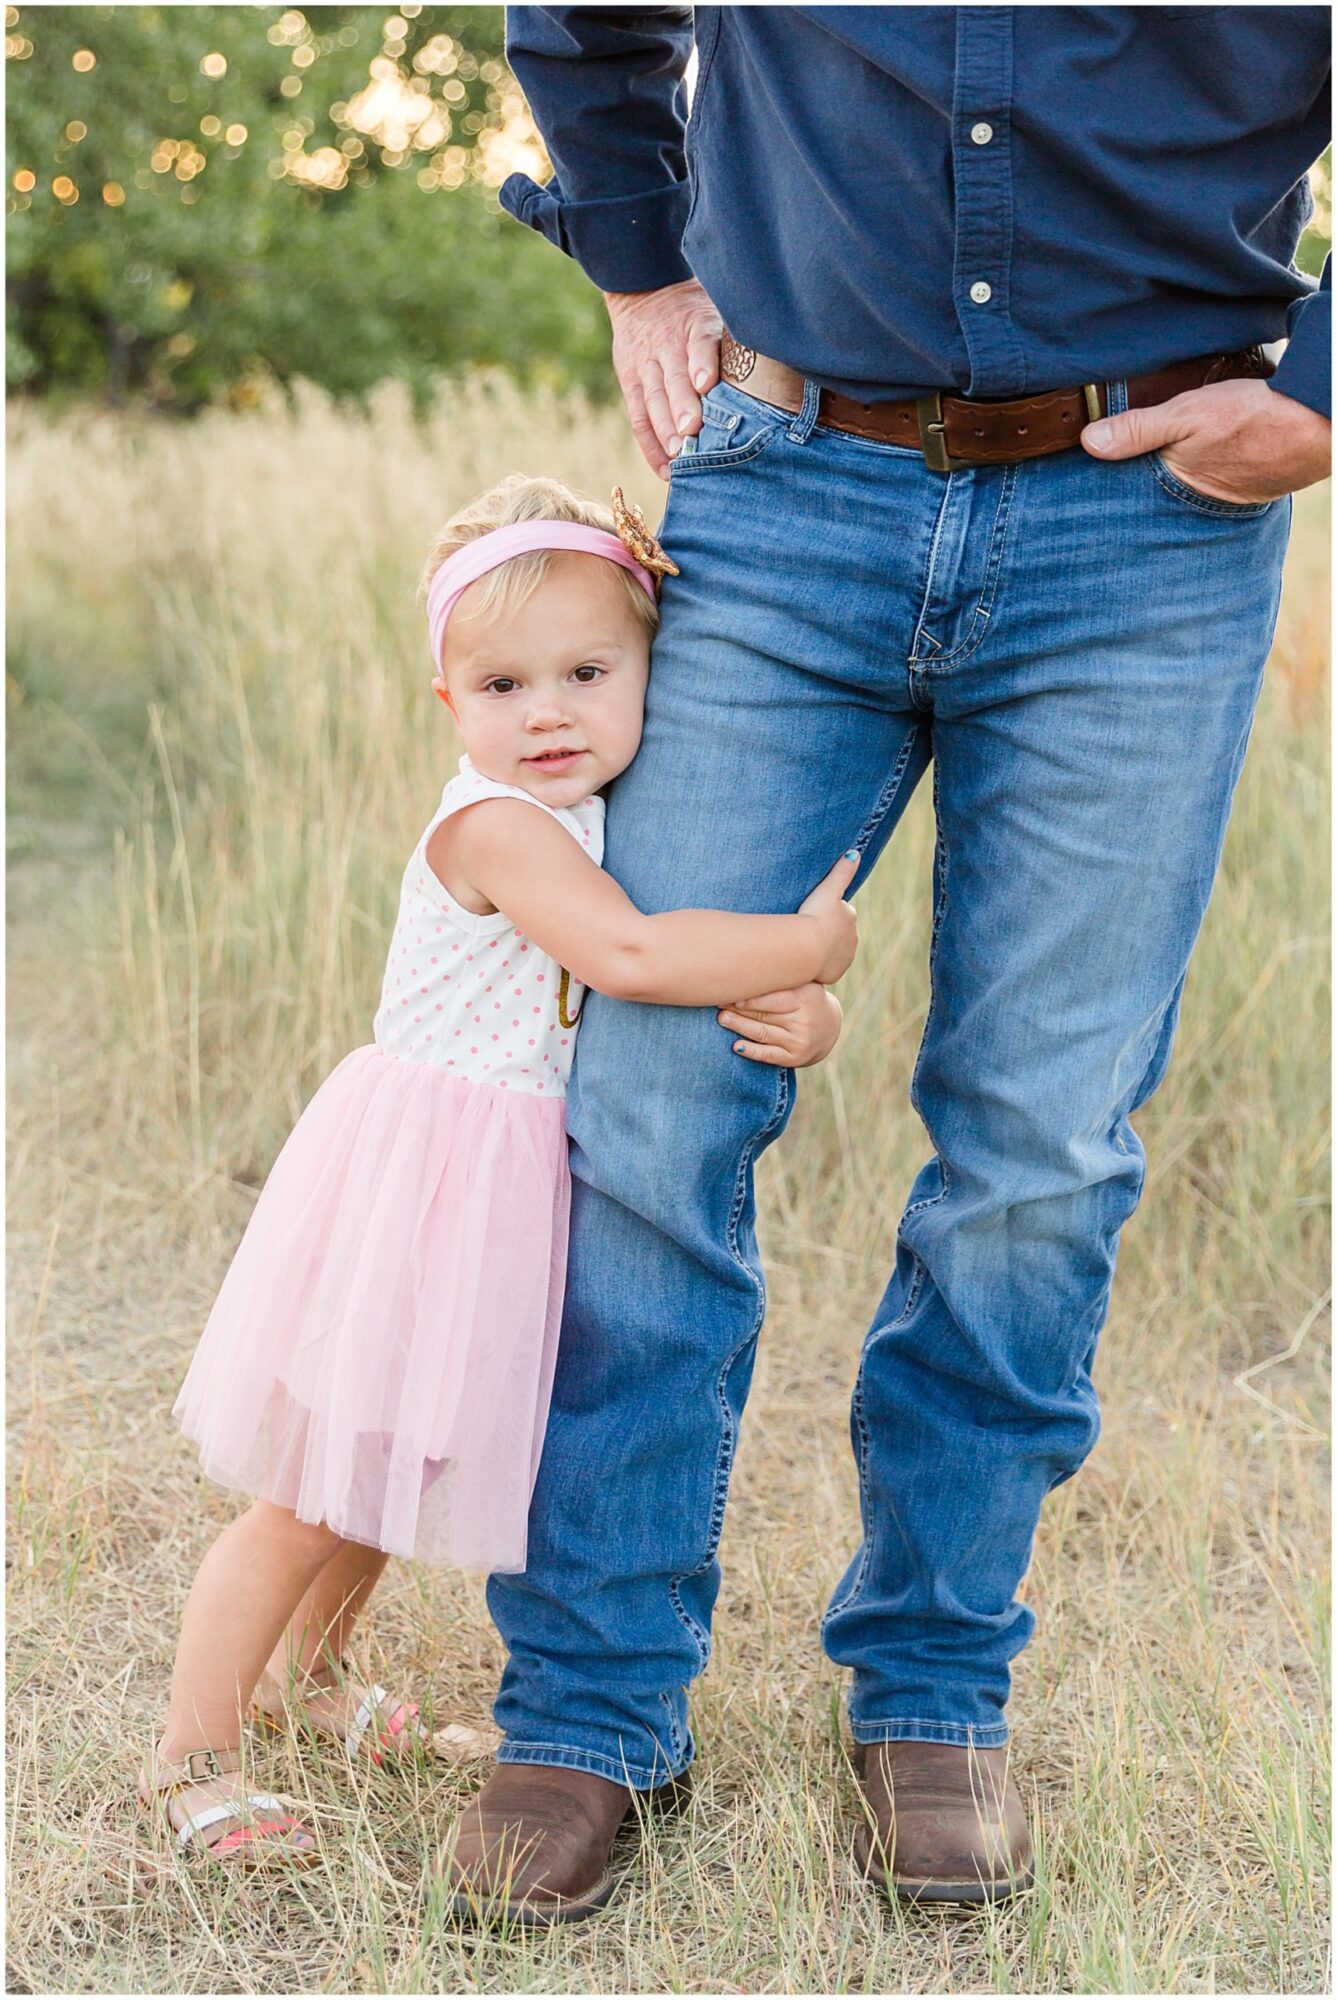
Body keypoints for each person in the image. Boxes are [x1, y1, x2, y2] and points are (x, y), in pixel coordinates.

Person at [438, 5, 1332, 1919]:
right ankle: (588, 1710)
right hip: (786, 489)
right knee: (657, 1100)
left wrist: (1321, 389)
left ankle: (931, 1691)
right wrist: (637, 259)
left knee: (1038, 1149)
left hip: (1151, 518)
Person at [139, 473, 857, 1867]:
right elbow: (636, 959)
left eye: (589, 673)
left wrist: (808, 1018)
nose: (547, 712)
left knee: (391, 1469)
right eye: (503, 682)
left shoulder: (597, 818)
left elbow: (669, 970)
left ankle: (315, 1681)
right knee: (309, 1491)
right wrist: (813, 947)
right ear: (447, 705)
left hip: (495, 1193)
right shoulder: (495, 826)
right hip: (424, 1185)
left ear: (653, 669)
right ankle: (191, 1756)